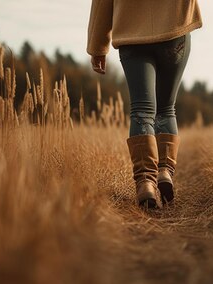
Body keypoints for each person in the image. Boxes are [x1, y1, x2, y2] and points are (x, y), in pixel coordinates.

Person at [87, 0, 202, 209]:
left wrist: (97, 46)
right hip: (174, 26)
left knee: (141, 110)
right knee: (166, 109)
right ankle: (164, 171)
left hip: (132, 33)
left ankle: (145, 184)